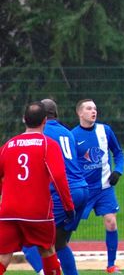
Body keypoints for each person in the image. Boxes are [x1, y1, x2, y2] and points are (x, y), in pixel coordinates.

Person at [0, 102, 75, 275]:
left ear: (23, 120)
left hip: (9, 211)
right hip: (37, 212)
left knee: (3, 257)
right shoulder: (48, 145)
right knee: (47, 250)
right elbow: (58, 178)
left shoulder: (8, 146)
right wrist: (68, 206)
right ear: (45, 121)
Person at [22, 99, 89, 275]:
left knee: (29, 240)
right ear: (56, 114)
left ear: (42, 117)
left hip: (63, 191)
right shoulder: (68, 133)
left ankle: (45, 272)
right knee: (59, 243)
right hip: (82, 189)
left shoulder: (41, 134)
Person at [72, 99, 124, 274]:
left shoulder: (105, 130)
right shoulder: (72, 136)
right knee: (68, 226)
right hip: (83, 190)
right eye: (89, 108)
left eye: (95, 108)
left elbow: (118, 153)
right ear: (80, 113)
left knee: (111, 223)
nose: (93, 111)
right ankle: (55, 255)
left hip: (105, 188)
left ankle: (111, 265)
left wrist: (118, 170)